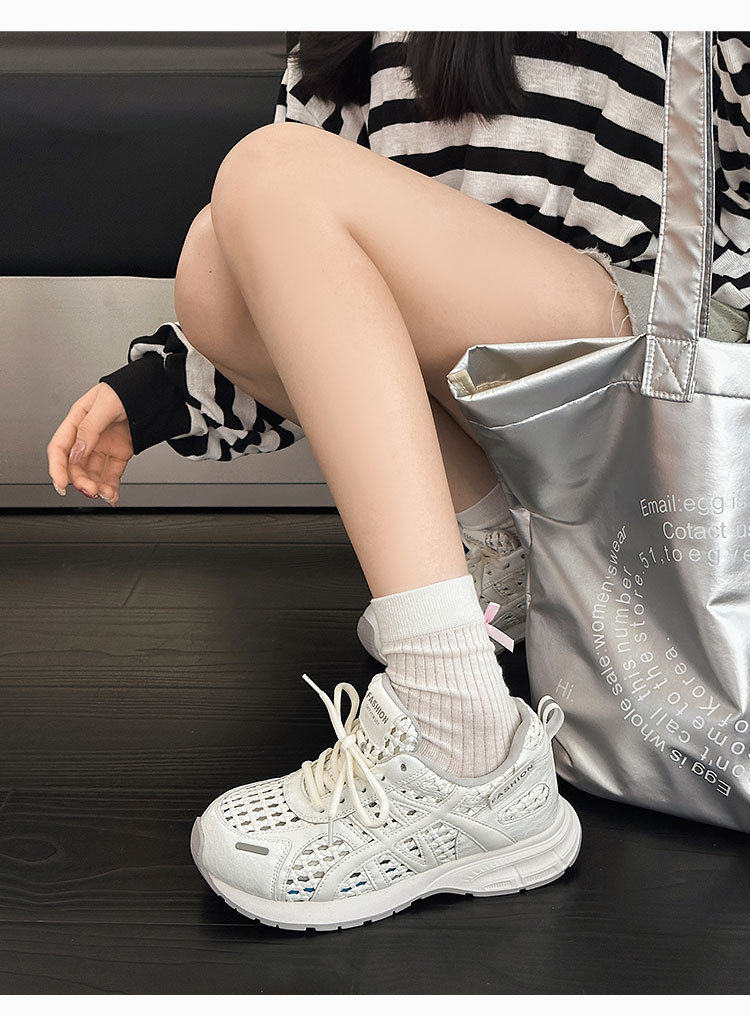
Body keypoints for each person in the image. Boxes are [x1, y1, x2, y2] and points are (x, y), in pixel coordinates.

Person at [46, 31, 750, 931]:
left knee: (271, 172)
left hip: (639, 358)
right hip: (493, 413)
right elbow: (304, 284)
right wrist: (151, 395)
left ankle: (461, 736)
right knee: (219, 257)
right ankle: (496, 569)